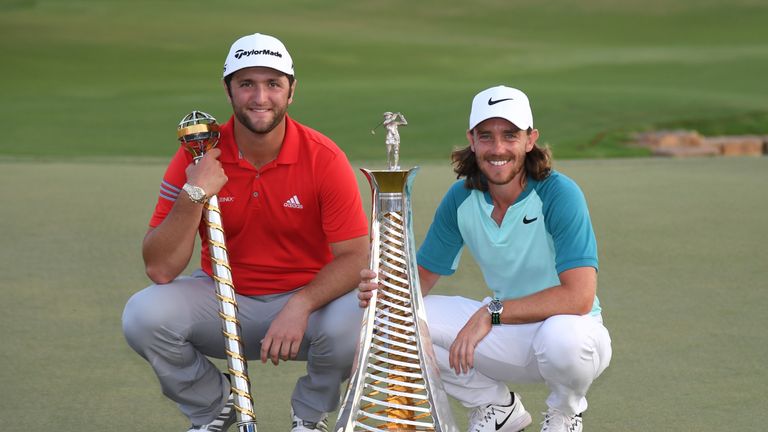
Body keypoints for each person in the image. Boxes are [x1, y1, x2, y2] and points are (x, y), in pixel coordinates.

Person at [122, 33, 369, 432]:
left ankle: (310, 415)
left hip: (308, 307)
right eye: (246, 84)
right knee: (143, 315)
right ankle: (213, 409)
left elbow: (357, 256)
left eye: (273, 84)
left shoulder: (324, 158)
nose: (260, 97)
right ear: (228, 90)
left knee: (364, 315)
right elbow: (160, 269)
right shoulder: (197, 154)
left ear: (291, 91)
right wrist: (195, 192)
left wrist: (301, 304)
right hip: (222, 299)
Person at [359, 86, 612, 432]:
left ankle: (565, 413)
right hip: (507, 331)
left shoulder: (559, 194)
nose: (497, 149)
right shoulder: (461, 198)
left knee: (563, 341)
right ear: (472, 140)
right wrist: (383, 290)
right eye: (486, 136)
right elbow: (419, 281)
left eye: (510, 135)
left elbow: (579, 298)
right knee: (399, 321)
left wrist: (491, 311)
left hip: (571, 331)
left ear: (530, 140)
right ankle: (495, 406)